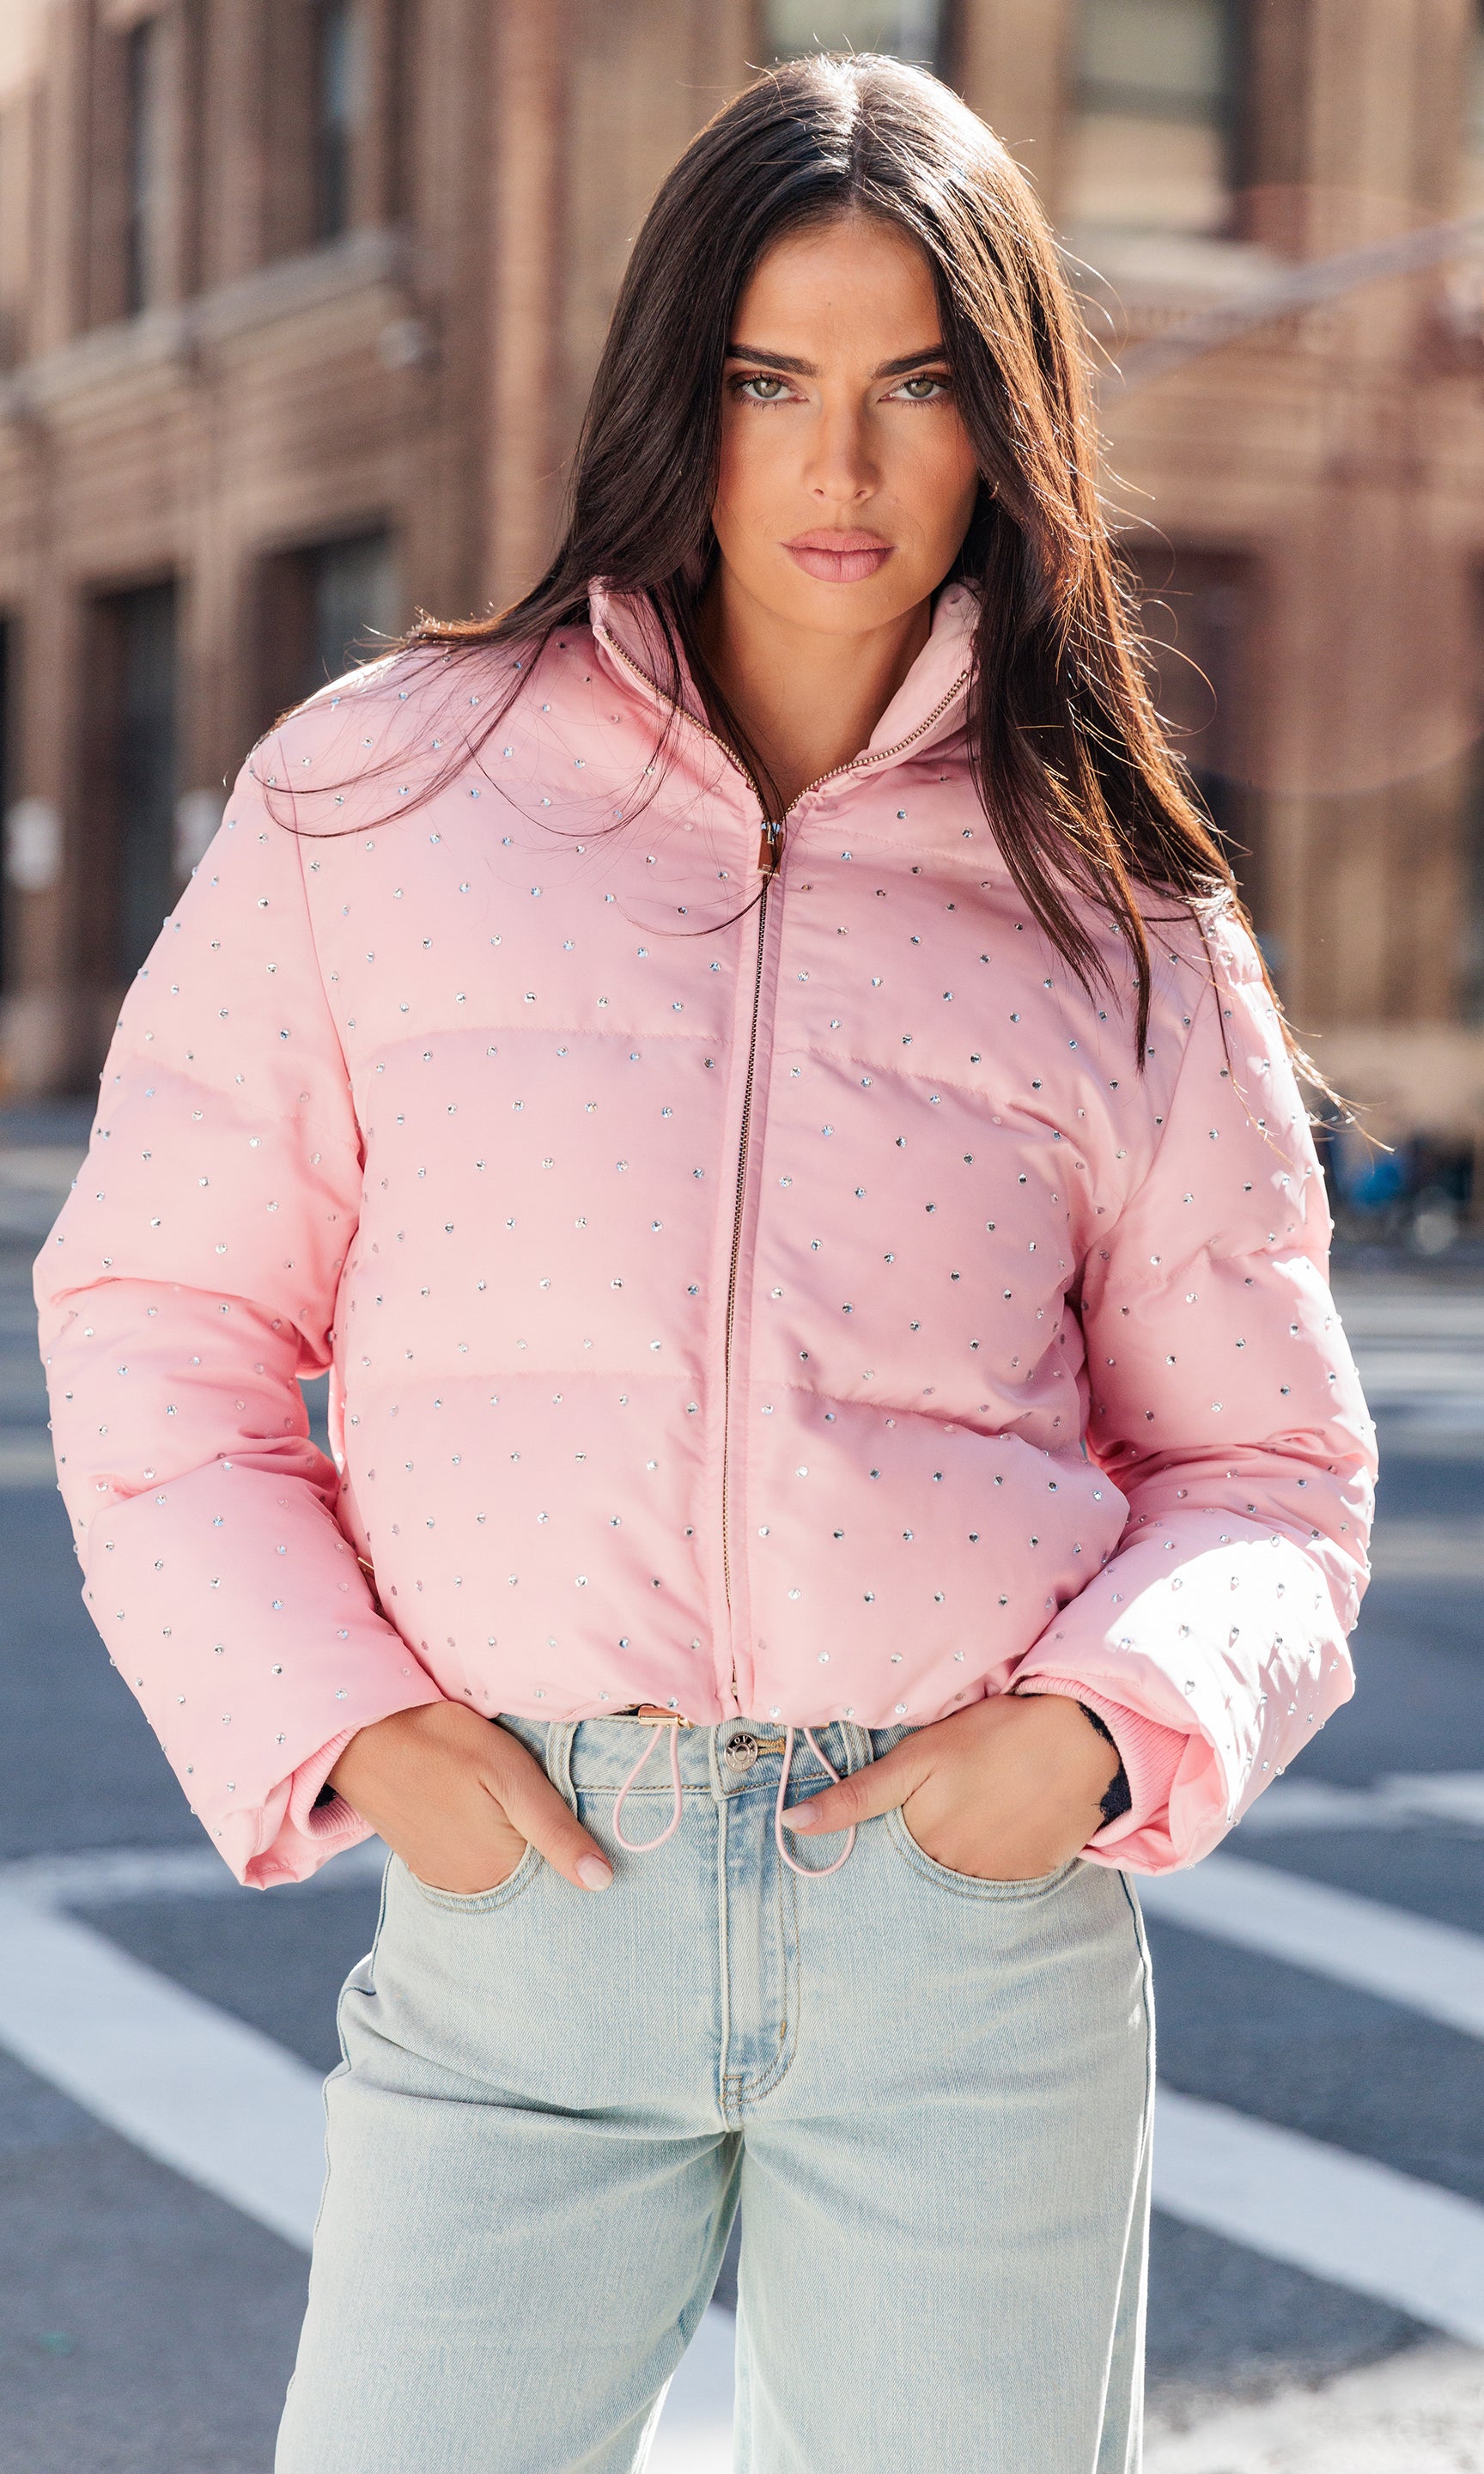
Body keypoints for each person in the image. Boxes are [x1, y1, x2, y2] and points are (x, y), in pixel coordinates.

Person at [38, 52, 1375, 2474]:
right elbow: (160, 1327)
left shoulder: (1120, 915)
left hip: (962, 1945)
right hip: (531, 1908)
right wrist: (353, 1727)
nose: (836, 468)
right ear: (681, 396)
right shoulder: (384, 794)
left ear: (1007, 428)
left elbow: (1271, 1470)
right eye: (770, 384)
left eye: (914, 388)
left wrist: (1092, 1737)